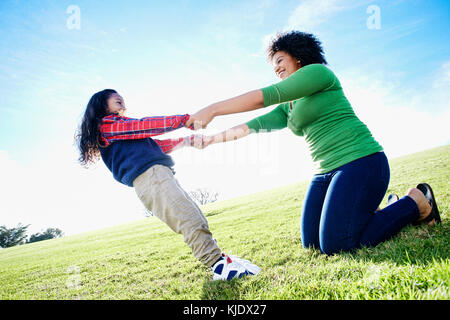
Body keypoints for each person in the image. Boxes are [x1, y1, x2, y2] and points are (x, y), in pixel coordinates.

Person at [186, 31, 441, 255]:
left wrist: (213, 109)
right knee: (313, 246)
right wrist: (211, 140)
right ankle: (388, 209)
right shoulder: (289, 105)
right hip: (325, 173)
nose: (276, 69)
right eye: (273, 65)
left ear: (298, 56)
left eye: (279, 60)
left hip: (361, 162)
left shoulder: (318, 74)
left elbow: (264, 97)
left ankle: (415, 201)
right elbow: (254, 125)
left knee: (338, 245)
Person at [75, 89, 260, 280]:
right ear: (102, 106)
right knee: (188, 219)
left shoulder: (119, 131)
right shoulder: (108, 125)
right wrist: (185, 120)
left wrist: (186, 141)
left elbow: (156, 145)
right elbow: (145, 126)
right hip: (151, 178)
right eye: (118, 102)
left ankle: (221, 260)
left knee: (194, 214)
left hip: (158, 176)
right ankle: (219, 268)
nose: (124, 106)